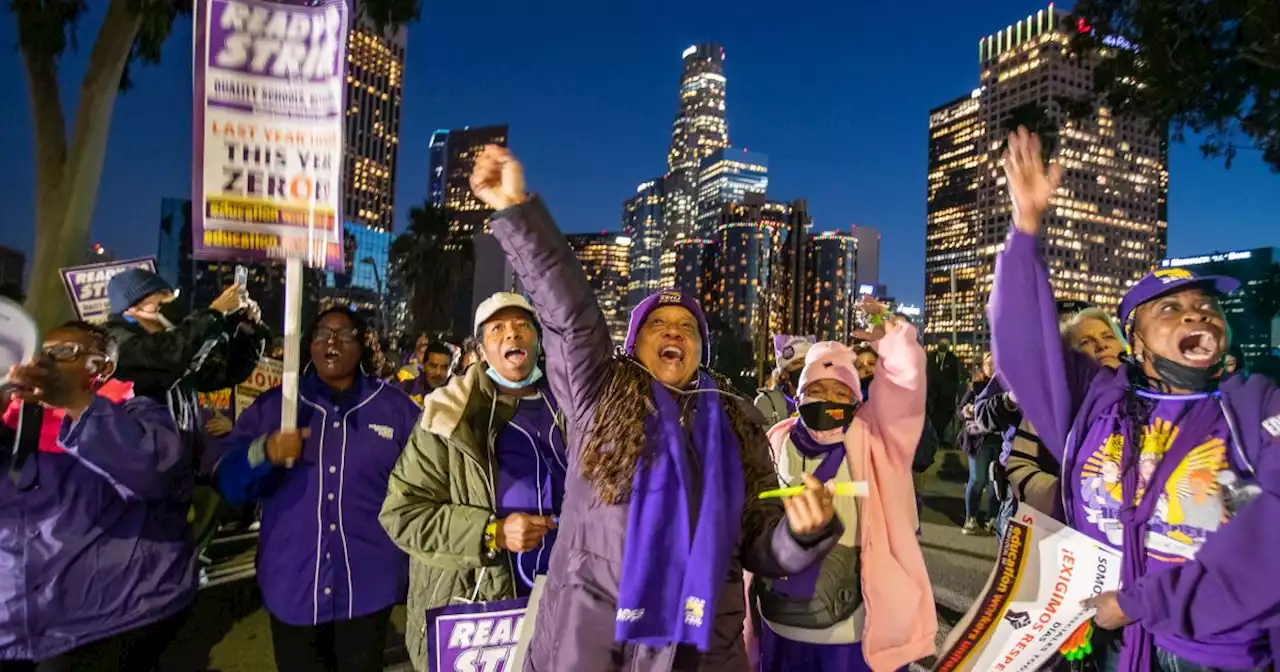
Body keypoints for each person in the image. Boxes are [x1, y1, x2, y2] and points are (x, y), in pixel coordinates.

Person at [470, 145, 841, 671]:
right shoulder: (598, 396)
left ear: (700, 350)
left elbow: (759, 537)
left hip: (703, 652)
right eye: (657, 325)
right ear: (632, 343)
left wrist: (800, 533)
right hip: (593, 647)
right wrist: (517, 211)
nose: (673, 332)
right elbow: (569, 317)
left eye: (687, 328)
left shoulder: (737, 423)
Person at [992, 126, 1280, 672]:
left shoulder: (1257, 407)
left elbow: (1269, 540)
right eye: (1170, 310)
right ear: (1137, 340)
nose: (1196, 314)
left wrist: (1139, 601)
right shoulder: (1096, 404)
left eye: (1205, 307)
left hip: (1219, 654)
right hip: (1113, 646)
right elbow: (1022, 345)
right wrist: (1026, 229)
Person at [213, 308, 420, 672]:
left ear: (364, 343)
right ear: (308, 344)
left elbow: (424, 488)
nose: (331, 341)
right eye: (322, 333)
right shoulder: (276, 408)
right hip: (292, 585)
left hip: (368, 588)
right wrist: (265, 452)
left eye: (344, 333)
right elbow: (229, 485)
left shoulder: (396, 410)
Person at [379, 292, 567, 666]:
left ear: (537, 340)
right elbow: (402, 515)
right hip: (480, 616)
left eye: (522, 326)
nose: (512, 335)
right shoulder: (447, 417)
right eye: (498, 329)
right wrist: (491, 532)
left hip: (561, 608)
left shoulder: (570, 409)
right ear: (482, 350)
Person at [0, 321, 194, 670]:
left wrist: (75, 402)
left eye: (64, 353)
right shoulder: (14, 424)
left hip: (105, 621)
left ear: (104, 367)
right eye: (42, 354)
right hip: (14, 628)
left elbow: (152, 472)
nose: (47, 363)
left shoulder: (140, 414)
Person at [749, 316, 936, 671]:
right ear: (799, 396)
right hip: (779, 622)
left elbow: (902, 398)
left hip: (853, 633)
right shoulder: (777, 439)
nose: (828, 401)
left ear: (856, 401)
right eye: (817, 392)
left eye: (840, 394)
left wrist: (896, 346)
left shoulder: (876, 441)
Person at [105, 268, 268, 434]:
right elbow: (171, 356)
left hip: (178, 450)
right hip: (145, 452)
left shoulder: (173, 340)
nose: (173, 308)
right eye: (162, 303)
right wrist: (214, 313)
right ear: (132, 308)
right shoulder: (116, 342)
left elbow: (224, 371)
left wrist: (247, 330)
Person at [957, 353, 1001, 534]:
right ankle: (971, 518)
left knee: (996, 483)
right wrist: (967, 411)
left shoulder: (1006, 386)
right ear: (982, 367)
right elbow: (960, 411)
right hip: (978, 442)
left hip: (1000, 441)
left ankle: (993, 518)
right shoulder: (974, 387)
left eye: (994, 363)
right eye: (987, 364)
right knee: (977, 480)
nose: (990, 366)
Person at [755, 335, 815, 426]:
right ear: (784, 374)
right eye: (797, 363)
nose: (804, 367)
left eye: (807, 362)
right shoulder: (767, 403)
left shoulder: (826, 397)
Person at [926, 338, 963, 447]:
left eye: (945, 344)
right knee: (932, 420)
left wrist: (952, 391)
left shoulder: (953, 359)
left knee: (944, 421)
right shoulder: (929, 357)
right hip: (931, 396)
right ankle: (935, 442)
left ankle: (942, 441)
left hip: (946, 398)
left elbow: (956, 378)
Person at [397, 336, 453, 404]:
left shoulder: (456, 395)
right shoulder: (407, 389)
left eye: (444, 367)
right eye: (433, 366)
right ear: (423, 365)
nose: (438, 372)